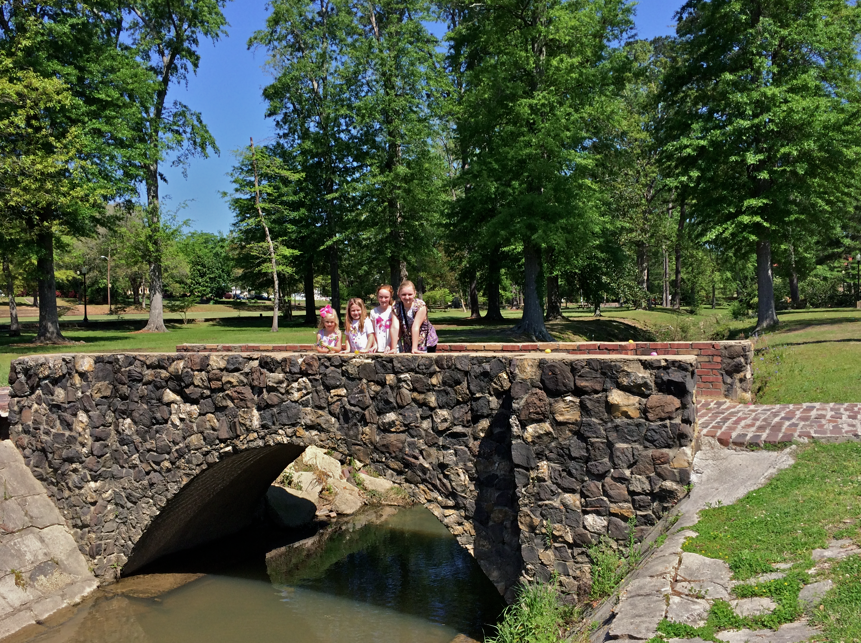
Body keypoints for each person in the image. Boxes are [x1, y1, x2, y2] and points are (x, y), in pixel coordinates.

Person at [394, 280, 438, 354]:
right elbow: (395, 328)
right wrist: (392, 347)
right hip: (409, 341)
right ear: (399, 294)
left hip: (426, 341)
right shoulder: (396, 307)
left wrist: (414, 348)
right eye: (404, 294)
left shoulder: (420, 305)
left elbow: (415, 326)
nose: (407, 297)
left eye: (410, 294)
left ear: (414, 293)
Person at [369, 284, 400, 353]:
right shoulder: (373, 312)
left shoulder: (394, 310)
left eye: (386, 297)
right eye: (381, 297)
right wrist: (375, 344)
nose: (383, 299)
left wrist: (390, 345)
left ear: (390, 297)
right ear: (377, 297)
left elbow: (399, 332)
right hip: (378, 348)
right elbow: (372, 331)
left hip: (393, 347)